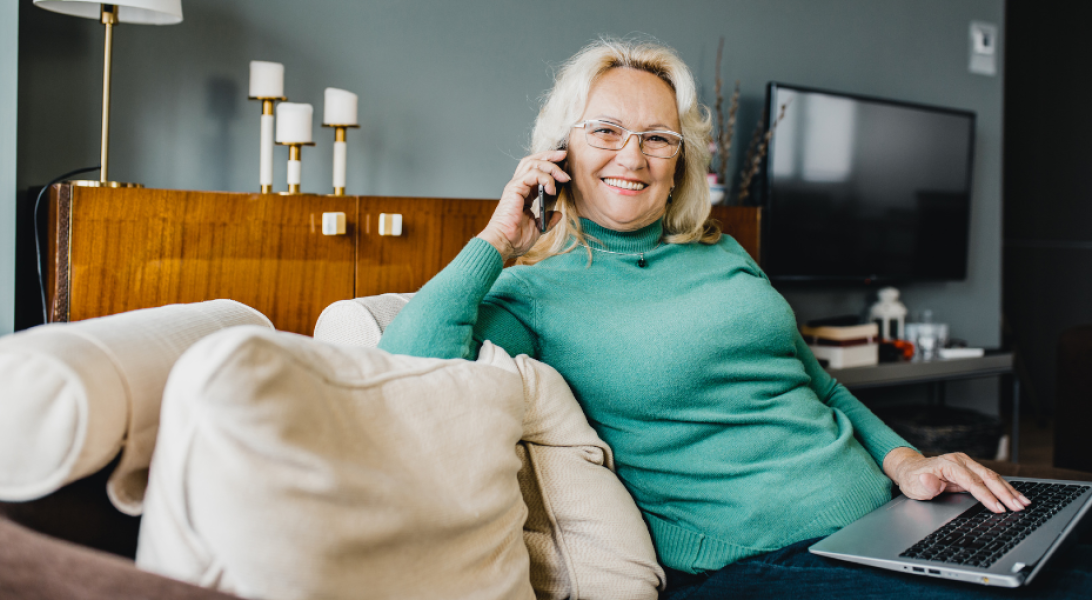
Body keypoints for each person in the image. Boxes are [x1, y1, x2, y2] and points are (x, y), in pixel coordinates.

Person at [377, 38, 1090, 598]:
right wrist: (500, 238)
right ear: (559, 148)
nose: (634, 155)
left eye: (658, 137)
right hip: (761, 566)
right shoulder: (532, 295)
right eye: (606, 131)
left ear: (679, 158)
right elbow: (409, 365)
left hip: (889, 519)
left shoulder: (721, 253)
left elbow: (820, 386)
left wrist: (908, 462)